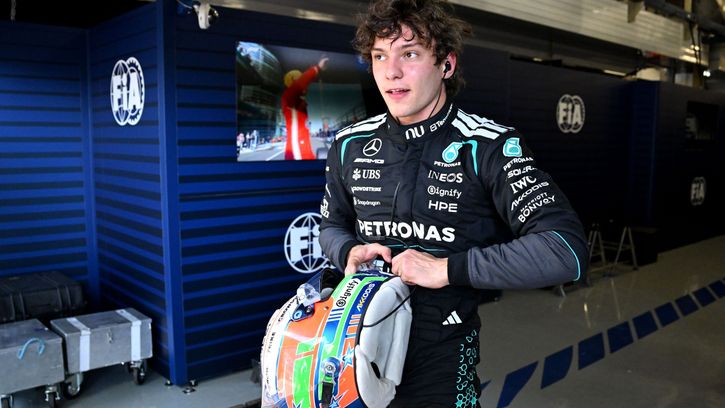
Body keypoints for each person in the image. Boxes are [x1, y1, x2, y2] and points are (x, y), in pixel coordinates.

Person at [319, 0, 588, 406]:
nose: (391, 72)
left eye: (409, 54)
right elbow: (330, 226)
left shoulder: (488, 146)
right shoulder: (349, 144)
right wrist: (346, 250)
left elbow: (565, 251)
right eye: (379, 56)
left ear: (446, 64)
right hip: (352, 357)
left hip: (441, 364)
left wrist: (447, 269)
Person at [282, 57, 329, 160]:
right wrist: (317, 68)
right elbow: (300, 83)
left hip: (303, 154)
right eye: (298, 79)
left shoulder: (297, 103)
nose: (306, 86)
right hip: (297, 156)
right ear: (293, 82)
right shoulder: (289, 96)